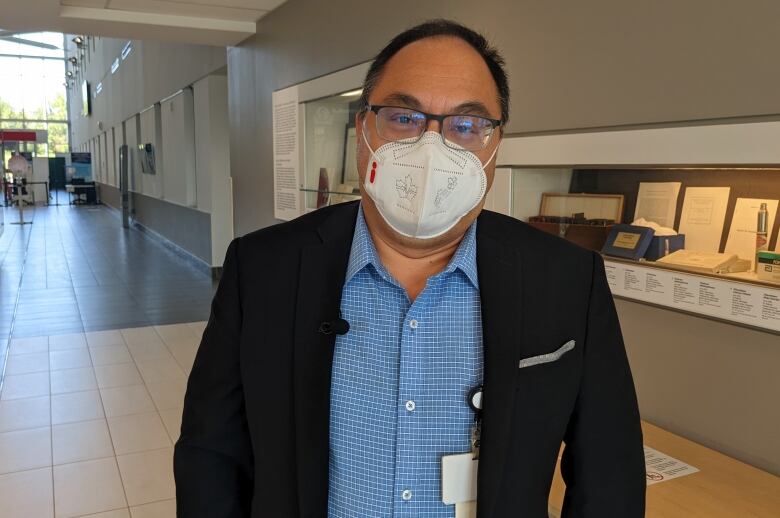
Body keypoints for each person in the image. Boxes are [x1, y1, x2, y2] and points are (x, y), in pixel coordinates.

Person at [174, 19, 646, 518]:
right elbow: (211, 453)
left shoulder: (568, 279)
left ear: (494, 147)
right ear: (363, 130)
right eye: (404, 117)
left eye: (466, 125)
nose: (432, 148)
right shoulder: (263, 268)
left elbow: (609, 470)